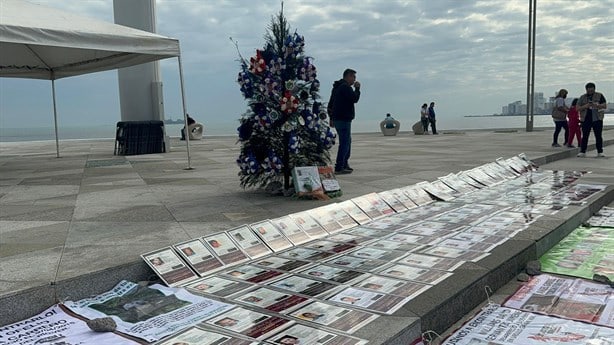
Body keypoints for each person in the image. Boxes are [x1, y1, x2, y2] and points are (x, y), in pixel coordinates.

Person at [328, 68, 361, 174]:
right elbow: (354, 99)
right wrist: (357, 89)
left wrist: (331, 117)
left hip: (339, 118)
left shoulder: (337, 87)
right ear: (348, 76)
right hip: (343, 119)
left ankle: (344, 164)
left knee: (347, 141)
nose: (354, 79)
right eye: (353, 77)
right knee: (345, 142)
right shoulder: (345, 87)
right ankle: (340, 166)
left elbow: (331, 103)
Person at [577, 82, 607, 157]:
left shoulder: (599, 95)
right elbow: (577, 108)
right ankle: (582, 151)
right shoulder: (582, 97)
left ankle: (600, 151)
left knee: (598, 135)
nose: (590, 92)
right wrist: (586, 106)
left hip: (597, 118)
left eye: (592, 90)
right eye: (589, 90)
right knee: (585, 136)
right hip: (585, 119)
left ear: (594, 89)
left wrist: (597, 105)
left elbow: (605, 105)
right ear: (586, 90)